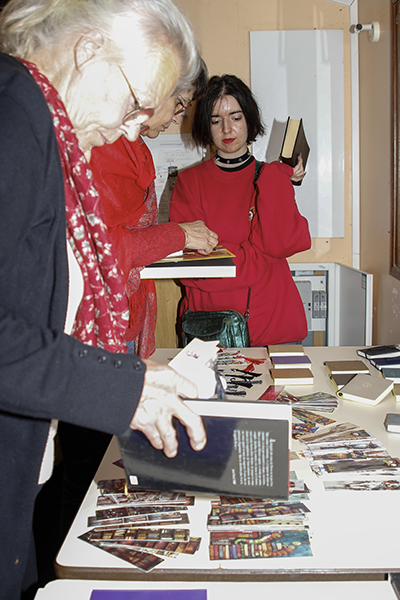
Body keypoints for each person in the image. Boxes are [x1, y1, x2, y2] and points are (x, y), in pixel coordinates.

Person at [0, 1, 209, 598]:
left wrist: (128, 373)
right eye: (136, 104)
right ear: (90, 51)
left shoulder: (39, 123)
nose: (131, 129)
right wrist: (121, 387)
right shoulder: (14, 118)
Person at [169, 74, 311, 347]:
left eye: (235, 117)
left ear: (249, 119)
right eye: (216, 120)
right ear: (206, 125)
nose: (227, 129)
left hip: (275, 325)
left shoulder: (270, 178)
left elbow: (283, 242)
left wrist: (276, 179)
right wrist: (260, 256)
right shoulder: (189, 182)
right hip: (211, 331)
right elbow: (193, 266)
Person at [90, 60, 218, 359]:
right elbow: (99, 249)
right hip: (98, 321)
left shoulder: (135, 147)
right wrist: (179, 235)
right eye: (180, 103)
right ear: (154, 91)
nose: (178, 117)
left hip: (125, 311)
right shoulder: (101, 147)